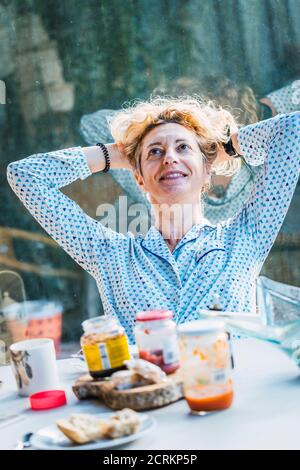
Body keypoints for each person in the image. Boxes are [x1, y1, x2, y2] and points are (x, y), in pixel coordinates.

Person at [7, 97, 300, 343]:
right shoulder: (110, 255)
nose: (169, 158)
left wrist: (224, 147)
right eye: (155, 152)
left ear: (207, 170)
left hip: (230, 405)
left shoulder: (245, 238)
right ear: (139, 179)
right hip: (143, 410)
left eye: (183, 148)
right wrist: (114, 155)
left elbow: (293, 130)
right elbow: (26, 176)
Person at [80, 77, 300, 224]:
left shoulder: (255, 185)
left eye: (184, 145)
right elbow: (90, 124)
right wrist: (140, 141)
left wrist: (238, 140)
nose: (171, 159)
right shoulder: (149, 168)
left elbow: (292, 121)